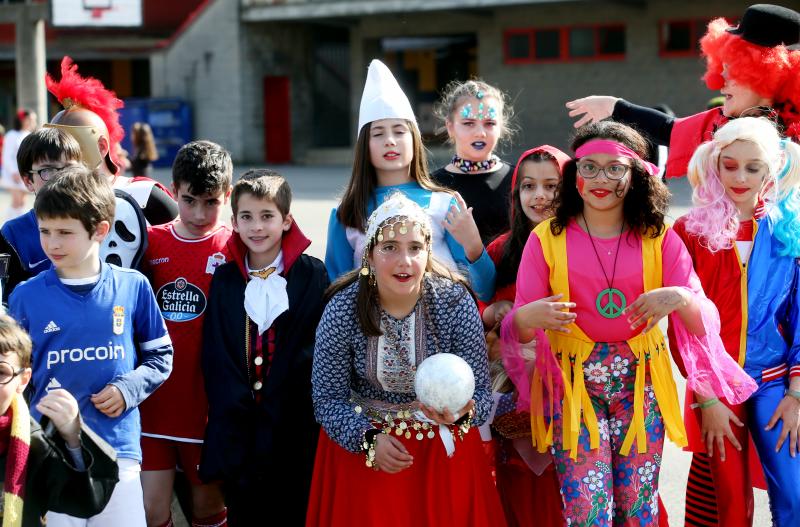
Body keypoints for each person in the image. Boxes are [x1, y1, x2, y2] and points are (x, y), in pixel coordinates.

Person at [505, 121, 757, 525]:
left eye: (614, 168)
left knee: (638, 504)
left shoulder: (658, 237)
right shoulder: (547, 239)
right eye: (589, 167)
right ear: (574, 175)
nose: (600, 178)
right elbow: (517, 332)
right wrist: (527, 317)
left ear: (636, 174)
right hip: (573, 390)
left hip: (640, 387)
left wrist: (680, 297)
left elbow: (700, 319)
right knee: (587, 509)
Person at [307, 191, 506, 526]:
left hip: (442, 455)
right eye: (389, 248)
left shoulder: (454, 302)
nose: (405, 260)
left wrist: (460, 417)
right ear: (369, 254)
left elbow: (482, 396)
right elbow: (327, 399)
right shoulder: (343, 308)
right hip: (366, 456)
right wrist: (367, 441)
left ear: (428, 251)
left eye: (415, 248)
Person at [8, 166, 173, 526]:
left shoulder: (134, 287)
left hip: (118, 450)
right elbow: (14, 373)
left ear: (100, 230)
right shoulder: (25, 296)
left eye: (65, 233)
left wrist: (128, 388)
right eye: (45, 231)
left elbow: (161, 356)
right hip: (49, 452)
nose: (52, 243)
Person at [668, 117, 800, 527]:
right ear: (714, 164)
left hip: (776, 383)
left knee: (794, 498)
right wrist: (706, 397)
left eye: (753, 167)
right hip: (715, 385)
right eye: (730, 165)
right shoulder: (688, 231)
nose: (740, 177)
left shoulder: (790, 233)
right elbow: (680, 325)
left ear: (774, 168)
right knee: (727, 505)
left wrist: (797, 394)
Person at [201, 169, 328, 526]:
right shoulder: (226, 279)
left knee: (294, 511)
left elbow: (310, 348)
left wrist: (278, 405)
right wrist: (239, 407)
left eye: (267, 216)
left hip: (293, 428)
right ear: (234, 222)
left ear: (287, 221)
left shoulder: (310, 275)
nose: (257, 227)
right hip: (241, 430)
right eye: (247, 217)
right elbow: (217, 354)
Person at [325, 59, 496, 302]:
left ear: (415, 139)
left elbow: (483, 290)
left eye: (399, 131)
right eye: (378, 133)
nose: (390, 141)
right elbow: (336, 293)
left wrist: (474, 246)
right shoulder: (347, 212)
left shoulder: (445, 203)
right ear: (364, 145)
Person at [565, 4, 800, 178]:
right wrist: (613, 106)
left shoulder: (794, 138)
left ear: (767, 76)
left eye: (734, 70)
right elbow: (669, 129)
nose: (721, 79)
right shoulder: (720, 123)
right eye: (723, 67)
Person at [139, 141, 232, 527]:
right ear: (173, 190)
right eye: (189, 200)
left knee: (208, 508)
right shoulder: (149, 242)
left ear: (227, 194)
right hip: (152, 405)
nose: (198, 213)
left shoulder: (237, 245)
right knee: (150, 510)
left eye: (211, 201)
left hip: (208, 410)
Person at [484, 145, 570, 527]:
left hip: (575, 393)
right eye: (528, 186)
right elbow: (480, 319)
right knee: (519, 496)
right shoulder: (500, 250)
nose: (540, 196)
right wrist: (496, 316)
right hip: (513, 403)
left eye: (552, 185)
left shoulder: (584, 246)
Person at [0, 313, 121, 526]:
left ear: (23, 379)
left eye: (2, 372)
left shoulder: (33, 444)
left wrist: (73, 438)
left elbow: (83, 501)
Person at [45, 56, 177, 225]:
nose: (61, 160)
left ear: (101, 146)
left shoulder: (143, 195)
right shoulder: (50, 202)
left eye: (72, 147)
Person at [0, 128, 83, 302]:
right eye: (48, 171)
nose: (61, 177)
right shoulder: (13, 233)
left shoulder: (96, 221)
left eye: (70, 168)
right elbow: (8, 302)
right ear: (28, 181)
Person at [432, 80, 514, 243]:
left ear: (501, 128)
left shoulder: (518, 178)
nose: (480, 133)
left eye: (489, 123)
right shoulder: (433, 185)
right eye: (469, 123)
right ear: (450, 127)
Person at [1, 110, 37, 221]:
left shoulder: (29, 135)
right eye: (30, 119)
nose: (32, 122)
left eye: (33, 120)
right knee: (17, 201)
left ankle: (17, 225)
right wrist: (13, 172)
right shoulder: (12, 135)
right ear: (22, 120)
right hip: (14, 174)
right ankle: (8, 226)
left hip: (24, 172)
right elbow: (7, 156)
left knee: (22, 201)